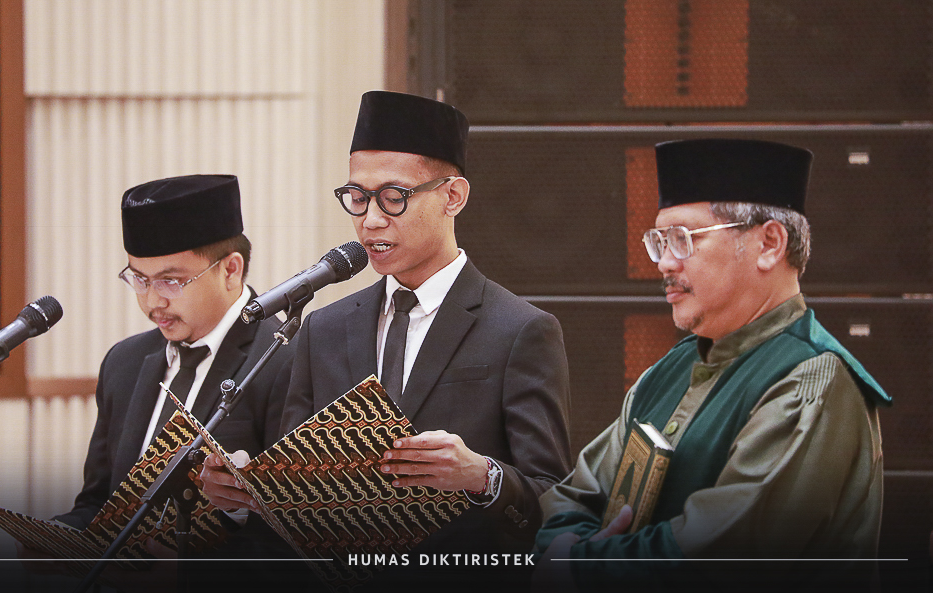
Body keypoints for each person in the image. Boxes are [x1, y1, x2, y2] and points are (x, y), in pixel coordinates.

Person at [200, 91, 573, 588]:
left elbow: (555, 503)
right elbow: (298, 503)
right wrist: (247, 500)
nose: (370, 220)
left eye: (394, 197)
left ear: (453, 196)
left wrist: (483, 477)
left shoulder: (519, 329)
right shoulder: (323, 329)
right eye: (357, 197)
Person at [532, 139, 892, 591]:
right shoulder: (668, 371)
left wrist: (575, 565)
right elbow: (572, 498)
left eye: (684, 239)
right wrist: (563, 547)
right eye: (660, 241)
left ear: (769, 244)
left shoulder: (812, 380)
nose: (664, 263)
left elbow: (722, 558)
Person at [19, 175, 293, 585]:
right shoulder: (124, 362)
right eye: (139, 279)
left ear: (230, 270)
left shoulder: (285, 358)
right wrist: (59, 538)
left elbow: (300, 539)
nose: (152, 301)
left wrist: (188, 571)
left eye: (171, 281)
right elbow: (100, 504)